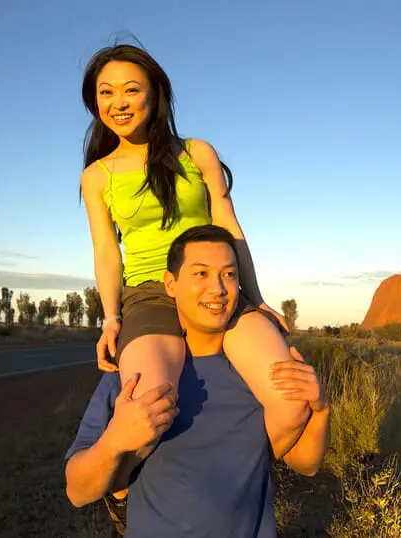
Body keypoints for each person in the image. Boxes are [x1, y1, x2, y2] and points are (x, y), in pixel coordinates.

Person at [77, 41, 310, 463]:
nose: (119, 102)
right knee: (148, 419)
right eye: (105, 93)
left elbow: (230, 231)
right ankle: (122, 495)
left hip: (215, 287)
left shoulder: (197, 153)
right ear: (95, 103)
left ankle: (234, 478)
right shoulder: (96, 176)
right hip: (150, 293)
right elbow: (107, 252)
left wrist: (253, 298)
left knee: (292, 403)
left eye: (131, 89)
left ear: (155, 92)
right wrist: (111, 319)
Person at [65, 224, 331, 537]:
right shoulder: (134, 374)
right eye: (201, 274)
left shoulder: (259, 375)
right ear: (170, 283)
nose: (218, 288)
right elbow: (78, 491)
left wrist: (321, 409)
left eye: (230, 274)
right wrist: (113, 441)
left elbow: (307, 464)